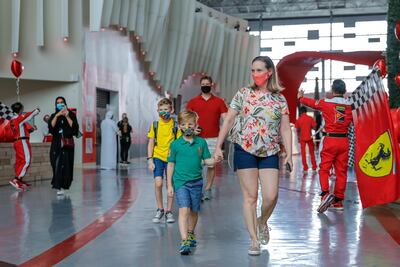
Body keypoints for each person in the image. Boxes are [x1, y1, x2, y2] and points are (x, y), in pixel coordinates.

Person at [214, 56, 293, 256]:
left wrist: (290, 154)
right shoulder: (243, 94)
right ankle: (254, 240)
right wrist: (218, 146)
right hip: (245, 149)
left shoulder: (279, 99)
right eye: (252, 70)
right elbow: (229, 119)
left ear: (269, 73)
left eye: (259, 70)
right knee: (250, 197)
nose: (255, 74)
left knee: (271, 195)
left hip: (270, 151)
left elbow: (285, 128)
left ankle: (262, 221)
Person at [298, 79, 353, 213]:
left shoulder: (326, 103)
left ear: (332, 90)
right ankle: (338, 202)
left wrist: (300, 97)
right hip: (344, 141)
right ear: (344, 91)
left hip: (330, 140)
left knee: (324, 169)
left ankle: (325, 195)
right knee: (341, 172)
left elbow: (311, 103)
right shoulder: (350, 106)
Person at [167, 110, 214, 255]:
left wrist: (215, 159)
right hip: (181, 182)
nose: (187, 127)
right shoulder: (175, 145)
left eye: (191, 124)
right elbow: (171, 165)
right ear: (179, 126)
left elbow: (207, 161)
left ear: (195, 125)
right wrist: (169, 185)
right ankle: (184, 240)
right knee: (184, 210)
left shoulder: (201, 142)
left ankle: (191, 232)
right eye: (184, 124)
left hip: (197, 182)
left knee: (194, 211)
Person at [186, 76, 227, 200]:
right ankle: (198, 189)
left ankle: (208, 189)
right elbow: (186, 119)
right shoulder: (193, 102)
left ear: (211, 85)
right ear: (200, 85)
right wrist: (192, 130)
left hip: (214, 138)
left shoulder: (219, 101)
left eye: (207, 83)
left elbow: (226, 118)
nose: (205, 85)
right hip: (197, 139)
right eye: (203, 83)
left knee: (211, 165)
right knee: (197, 165)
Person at [147, 98, 180, 224]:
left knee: (169, 184)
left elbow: (178, 143)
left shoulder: (175, 125)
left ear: (171, 110)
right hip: (158, 157)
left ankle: (169, 211)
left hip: (171, 159)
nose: (163, 112)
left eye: (166, 109)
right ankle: (160, 209)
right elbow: (150, 143)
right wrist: (150, 160)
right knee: (158, 183)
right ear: (157, 111)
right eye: (161, 110)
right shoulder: (155, 125)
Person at [48, 97, 79, 195]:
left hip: (67, 144)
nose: (60, 104)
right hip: (56, 143)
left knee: (66, 165)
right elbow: (51, 128)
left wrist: (67, 116)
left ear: (65, 103)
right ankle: (58, 184)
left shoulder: (71, 114)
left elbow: (74, 129)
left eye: (61, 102)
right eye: (58, 103)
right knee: (55, 163)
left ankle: (63, 186)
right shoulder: (54, 115)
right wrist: (57, 116)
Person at [8, 102, 40, 191]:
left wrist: (31, 130)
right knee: (26, 160)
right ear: (20, 109)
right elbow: (27, 116)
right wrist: (36, 110)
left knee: (20, 161)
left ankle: (19, 180)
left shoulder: (13, 120)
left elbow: (22, 130)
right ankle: (16, 180)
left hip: (19, 141)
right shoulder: (18, 118)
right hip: (22, 142)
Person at [295, 106, 317, 173]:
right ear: (306, 111)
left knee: (303, 154)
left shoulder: (299, 119)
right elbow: (314, 127)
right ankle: (314, 168)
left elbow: (297, 129)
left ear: (301, 112)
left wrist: (299, 136)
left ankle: (305, 169)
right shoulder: (310, 118)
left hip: (302, 138)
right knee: (312, 153)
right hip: (309, 137)